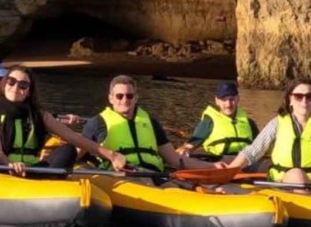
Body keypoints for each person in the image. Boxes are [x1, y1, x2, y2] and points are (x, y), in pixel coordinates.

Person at [0, 67, 126, 176]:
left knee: (68, 150)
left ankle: (46, 181)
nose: (16, 87)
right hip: (1, 167)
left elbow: (73, 137)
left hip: (31, 169)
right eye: (11, 81)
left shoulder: (38, 114)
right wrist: (9, 164)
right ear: (4, 84)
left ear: (29, 91)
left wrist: (112, 155)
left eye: (23, 85)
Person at [49, 74, 211, 174]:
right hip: (121, 175)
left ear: (136, 98)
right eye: (119, 96)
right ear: (111, 98)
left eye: (129, 96)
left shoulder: (151, 123)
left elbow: (174, 159)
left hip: (154, 175)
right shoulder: (96, 123)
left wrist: (213, 167)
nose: (124, 100)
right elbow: (77, 154)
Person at [218, 80, 311, 185]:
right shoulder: (276, 123)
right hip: (282, 183)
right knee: (296, 174)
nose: (304, 101)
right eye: (299, 96)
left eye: (309, 97)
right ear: (290, 100)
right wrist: (229, 171)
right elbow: (253, 151)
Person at [183, 81, 259, 163]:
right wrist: (185, 151)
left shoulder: (249, 123)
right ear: (217, 101)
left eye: (231, 99)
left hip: (245, 162)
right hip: (218, 162)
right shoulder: (208, 122)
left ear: (238, 98)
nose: (228, 104)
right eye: (224, 100)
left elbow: (261, 146)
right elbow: (190, 146)